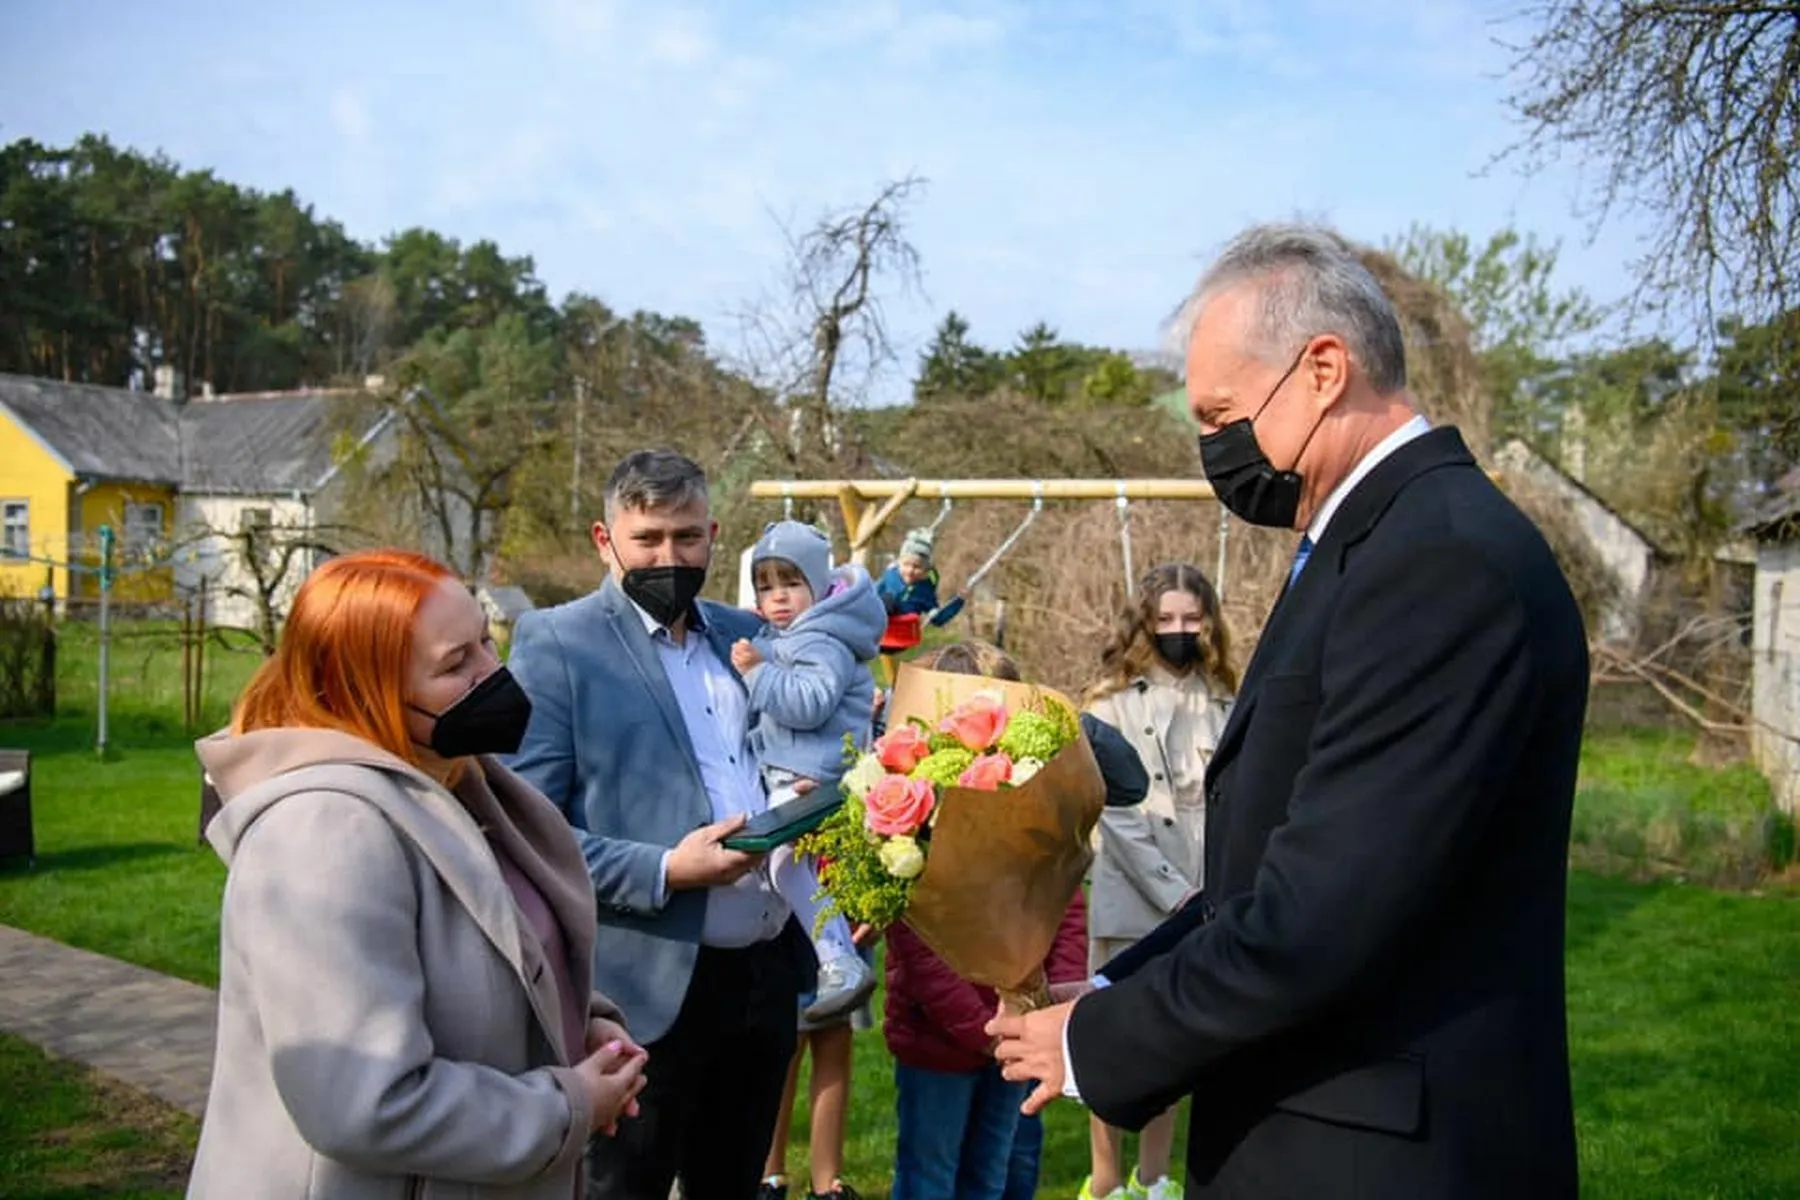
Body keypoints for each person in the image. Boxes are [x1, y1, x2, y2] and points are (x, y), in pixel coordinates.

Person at [991, 223, 1590, 1199]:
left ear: (1323, 370)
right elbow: (1261, 873)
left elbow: (1324, 911)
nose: (1214, 449)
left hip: (1381, 1157)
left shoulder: (1437, 562)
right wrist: (1108, 989)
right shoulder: (1374, 544)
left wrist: (1098, 1043)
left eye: (1222, 414)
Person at [187, 549, 648, 1200]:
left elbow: (501, 952)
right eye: (456, 664)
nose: (493, 673)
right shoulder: (323, 832)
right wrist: (567, 1105)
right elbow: (366, 1100)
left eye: (486, 642)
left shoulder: (457, 779)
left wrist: (580, 1023)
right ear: (364, 690)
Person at [505, 449, 816, 1200]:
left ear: (713, 536)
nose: (668, 558)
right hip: (641, 991)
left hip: (765, 972)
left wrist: (809, 801)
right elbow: (526, 833)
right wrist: (667, 870)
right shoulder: (558, 644)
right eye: (646, 539)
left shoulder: (746, 636)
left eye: (686, 537)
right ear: (603, 539)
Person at [883, 641, 1136, 1200]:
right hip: (942, 1044)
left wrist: (1045, 1007)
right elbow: (920, 942)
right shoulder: (910, 817)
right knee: (929, 1177)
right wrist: (985, 1030)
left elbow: (1062, 904)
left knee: (993, 1176)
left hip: (1021, 1028)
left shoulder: (1032, 804)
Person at [1076, 563, 1237, 1200]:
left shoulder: (1226, 700)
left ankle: (1157, 1176)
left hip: (1206, 890)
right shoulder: (1108, 703)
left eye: (1191, 618)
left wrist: (1211, 891)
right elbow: (1114, 813)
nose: (1179, 629)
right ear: (1144, 624)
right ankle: (1105, 1179)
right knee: (1113, 1037)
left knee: (1174, 1041)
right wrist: (1174, 892)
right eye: (1165, 618)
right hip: (1135, 891)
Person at [731, 519, 884, 1022]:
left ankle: (839, 961)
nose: (777, 597)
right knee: (782, 869)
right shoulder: (791, 636)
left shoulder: (822, 641)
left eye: (791, 583)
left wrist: (757, 673)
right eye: (765, 586)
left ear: (818, 585)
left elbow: (810, 704)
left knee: (783, 866)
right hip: (795, 774)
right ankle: (834, 960)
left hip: (810, 778)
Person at [876, 527, 965, 625]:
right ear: (899, 564)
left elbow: (938, 619)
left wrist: (958, 602)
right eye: (906, 565)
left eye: (917, 567)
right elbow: (871, 592)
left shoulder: (925, 590)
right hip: (882, 623)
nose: (910, 570)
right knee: (887, 599)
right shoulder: (891, 576)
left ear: (926, 570)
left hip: (905, 628)